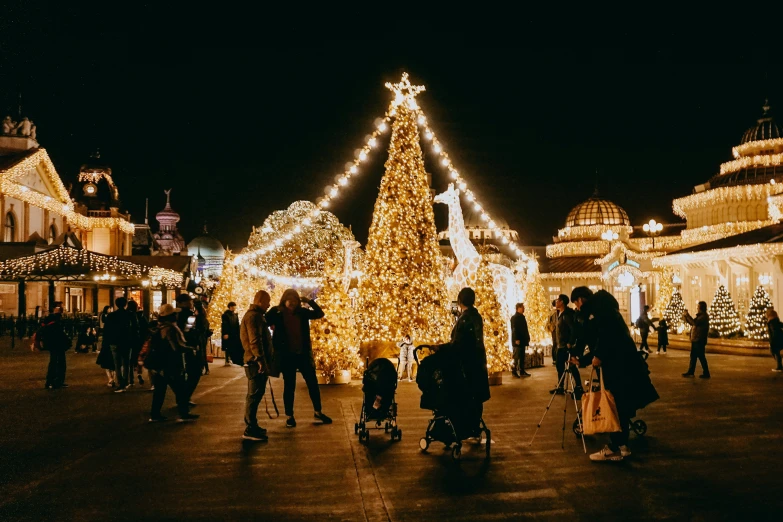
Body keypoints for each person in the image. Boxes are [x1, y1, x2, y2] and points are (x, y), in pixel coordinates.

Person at [575, 289, 659, 462]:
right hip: (626, 366)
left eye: (576, 302)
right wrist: (585, 360)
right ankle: (622, 447)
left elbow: (606, 339)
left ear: (582, 300)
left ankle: (616, 448)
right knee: (620, 407)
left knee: (615, 406)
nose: (577, 306)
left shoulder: (603, 314)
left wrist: (598, 356)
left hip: (618, 368)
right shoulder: (610, 312)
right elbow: (603, 341)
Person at [266, 289, 331, 428]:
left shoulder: (302, 313)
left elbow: (320, 314)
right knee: (289, 386)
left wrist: (309, 301)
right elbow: (264, 320)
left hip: (302, 354)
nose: (293, 304)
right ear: (284, 300)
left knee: (312, 383)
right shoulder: (277, 313)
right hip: (287, 356)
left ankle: (318, 411)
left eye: (295, 301)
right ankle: (289, 416)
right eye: (290, 301)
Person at [429, 287, 490, 436]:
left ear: (460, 300)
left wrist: (439, 348)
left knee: (463, 394)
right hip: (478, 363)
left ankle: (462, 427)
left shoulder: (464, 319)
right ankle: (474, 426)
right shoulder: (476, 316)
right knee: (476, 397)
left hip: (465, 366)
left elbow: (457, 344)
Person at [146, 303, 199, 423]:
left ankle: (155, 414)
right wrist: (190, 349)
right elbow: (176, 346)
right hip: (170, 364)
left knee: (160, 391)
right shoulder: (170, 328)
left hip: (159, 365)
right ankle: (184, 413)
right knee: (181, 388)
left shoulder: (160, 327)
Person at [240, 290, 274, 441]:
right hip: (255, 363)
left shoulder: (254, 316)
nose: (269, 305)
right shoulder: (254, 317)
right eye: (267, 302)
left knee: (255, 394)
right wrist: (260, 359)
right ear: (260, 301)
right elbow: (255, 340)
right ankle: (250, 427)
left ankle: (252, 425)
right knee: (254, 395)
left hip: (254, 361)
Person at [551, 294, 582, 396]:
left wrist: (570, 342)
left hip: (565, 346)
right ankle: (560, 386)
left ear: (562, 302)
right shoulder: (559, 314)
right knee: (560, 367)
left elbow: (573, 329)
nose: (556, 302)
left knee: (571, 366)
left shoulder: (566, 315)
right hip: (560, 346)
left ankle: (578, 386)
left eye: (558, 300)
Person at [103, 297, 134, 393]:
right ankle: (125, 382)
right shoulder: (130, 315)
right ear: (125, 304)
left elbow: (106, 330)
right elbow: (134, 328)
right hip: (127, 342)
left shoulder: (111, 316)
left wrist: (107, 341)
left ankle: (120, 383)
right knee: (126, 363)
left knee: (117, 364)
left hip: (114, 341)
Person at [176, 293, 202, 404]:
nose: (191, 303)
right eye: (189, 301)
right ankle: (184, 398)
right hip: (189, 347)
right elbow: (189, 330)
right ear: (182, 303)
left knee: (188, 373)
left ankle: (184, 398)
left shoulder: (177, 315)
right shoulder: (188, 315)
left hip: (184, 346)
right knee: (194, 372)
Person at [42, 303, 71, 389]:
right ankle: (54, 381)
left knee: (56, 362)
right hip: (56, 344)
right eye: (58, 307)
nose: (60, 309)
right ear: (54, 309)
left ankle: (54, 381)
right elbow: (58, 332)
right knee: (57, 362)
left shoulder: (52, 318)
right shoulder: (54, 318)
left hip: (54, 344)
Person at [683, 301, 710, 379]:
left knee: (701, 356)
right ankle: (691, 372)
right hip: (696, 339)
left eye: (698, 307)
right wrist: (685, 316)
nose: (697, 308)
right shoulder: (700, 316)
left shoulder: (703, 317)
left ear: (701, 308)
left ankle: (706, 372)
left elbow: (694, 323)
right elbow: (692, 322)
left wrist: (687, 315)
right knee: (693, 356)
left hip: (699, 340)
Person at [127, 300, 149, 386]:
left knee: (130, 361)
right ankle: (139, 374)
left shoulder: (128, 316)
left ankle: (131, 379)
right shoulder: (141, 316)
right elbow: (147, 327)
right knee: (139, 358)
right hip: (140, 341)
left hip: (130, 341)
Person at [510, 303, 531, 377]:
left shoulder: (522, 317)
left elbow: (525, 329)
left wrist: (527, 338)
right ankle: (514, 371)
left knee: (522, 356)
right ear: (518, 308)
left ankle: (522, 371)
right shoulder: (514, 318)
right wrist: (516, 339)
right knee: (516, 356)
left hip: (522, 340)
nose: (524, 308)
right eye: (522, 307)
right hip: (517, 341)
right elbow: (514, 329)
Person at [222, 301, 242, 367]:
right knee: (228, 346)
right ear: (230, 307)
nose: (234, 308)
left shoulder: (235, 315)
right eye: (233, 307)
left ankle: (232, 359)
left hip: (234, 333)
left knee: (233, 345)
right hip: (228, 333)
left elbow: (237, 324)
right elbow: (224, 325)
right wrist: (225, 333)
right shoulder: (225, 315)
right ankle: (227, 359)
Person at [547, 299, 558, 366]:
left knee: (555, 344)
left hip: (553, 330)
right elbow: (555, 322)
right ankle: (555, 359)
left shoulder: (551, 312)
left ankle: (554, 359)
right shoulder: (555, 312)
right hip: (555, 330)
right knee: (556, 344)